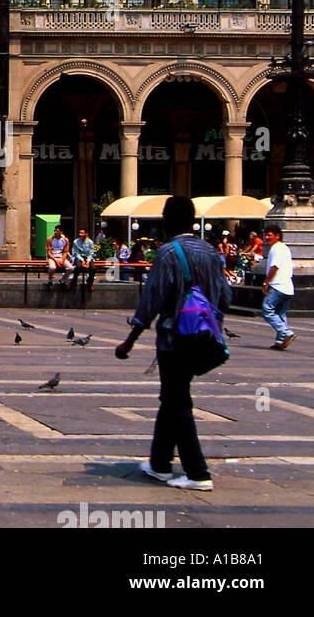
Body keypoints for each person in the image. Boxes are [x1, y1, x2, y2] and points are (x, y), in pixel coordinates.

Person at [115, 194, 231, 491]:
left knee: (178, 402)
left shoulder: (168, 253)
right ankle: (159, 463)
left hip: (174, 339)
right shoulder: (210, 252)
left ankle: (197, 472)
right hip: (205, 338)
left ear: (167, 221)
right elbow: (226, 298)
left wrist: (130, 341)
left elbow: (151, 301)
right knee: (173, 397)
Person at [261, 223, 296, 350]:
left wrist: (266, 282)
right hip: (288, 287)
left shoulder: (276, 248)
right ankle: (281, 341)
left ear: (277, 236)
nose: (267, 238)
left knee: (267, 310)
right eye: (265, 235)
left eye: (269, 235)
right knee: (281, 313)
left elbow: (274, 267)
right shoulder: (284, 248)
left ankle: (286, 333)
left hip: (278, 285)